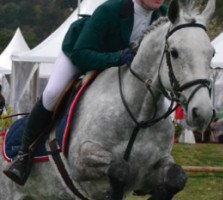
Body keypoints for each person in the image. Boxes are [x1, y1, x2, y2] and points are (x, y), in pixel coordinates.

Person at [3, 0, 168, 185]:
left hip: (119, 66)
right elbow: (81, 54)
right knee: (52, 93)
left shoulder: (164, 16)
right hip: (81, 53)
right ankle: (23, 155)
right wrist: (117, 57)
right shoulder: (109, 10)